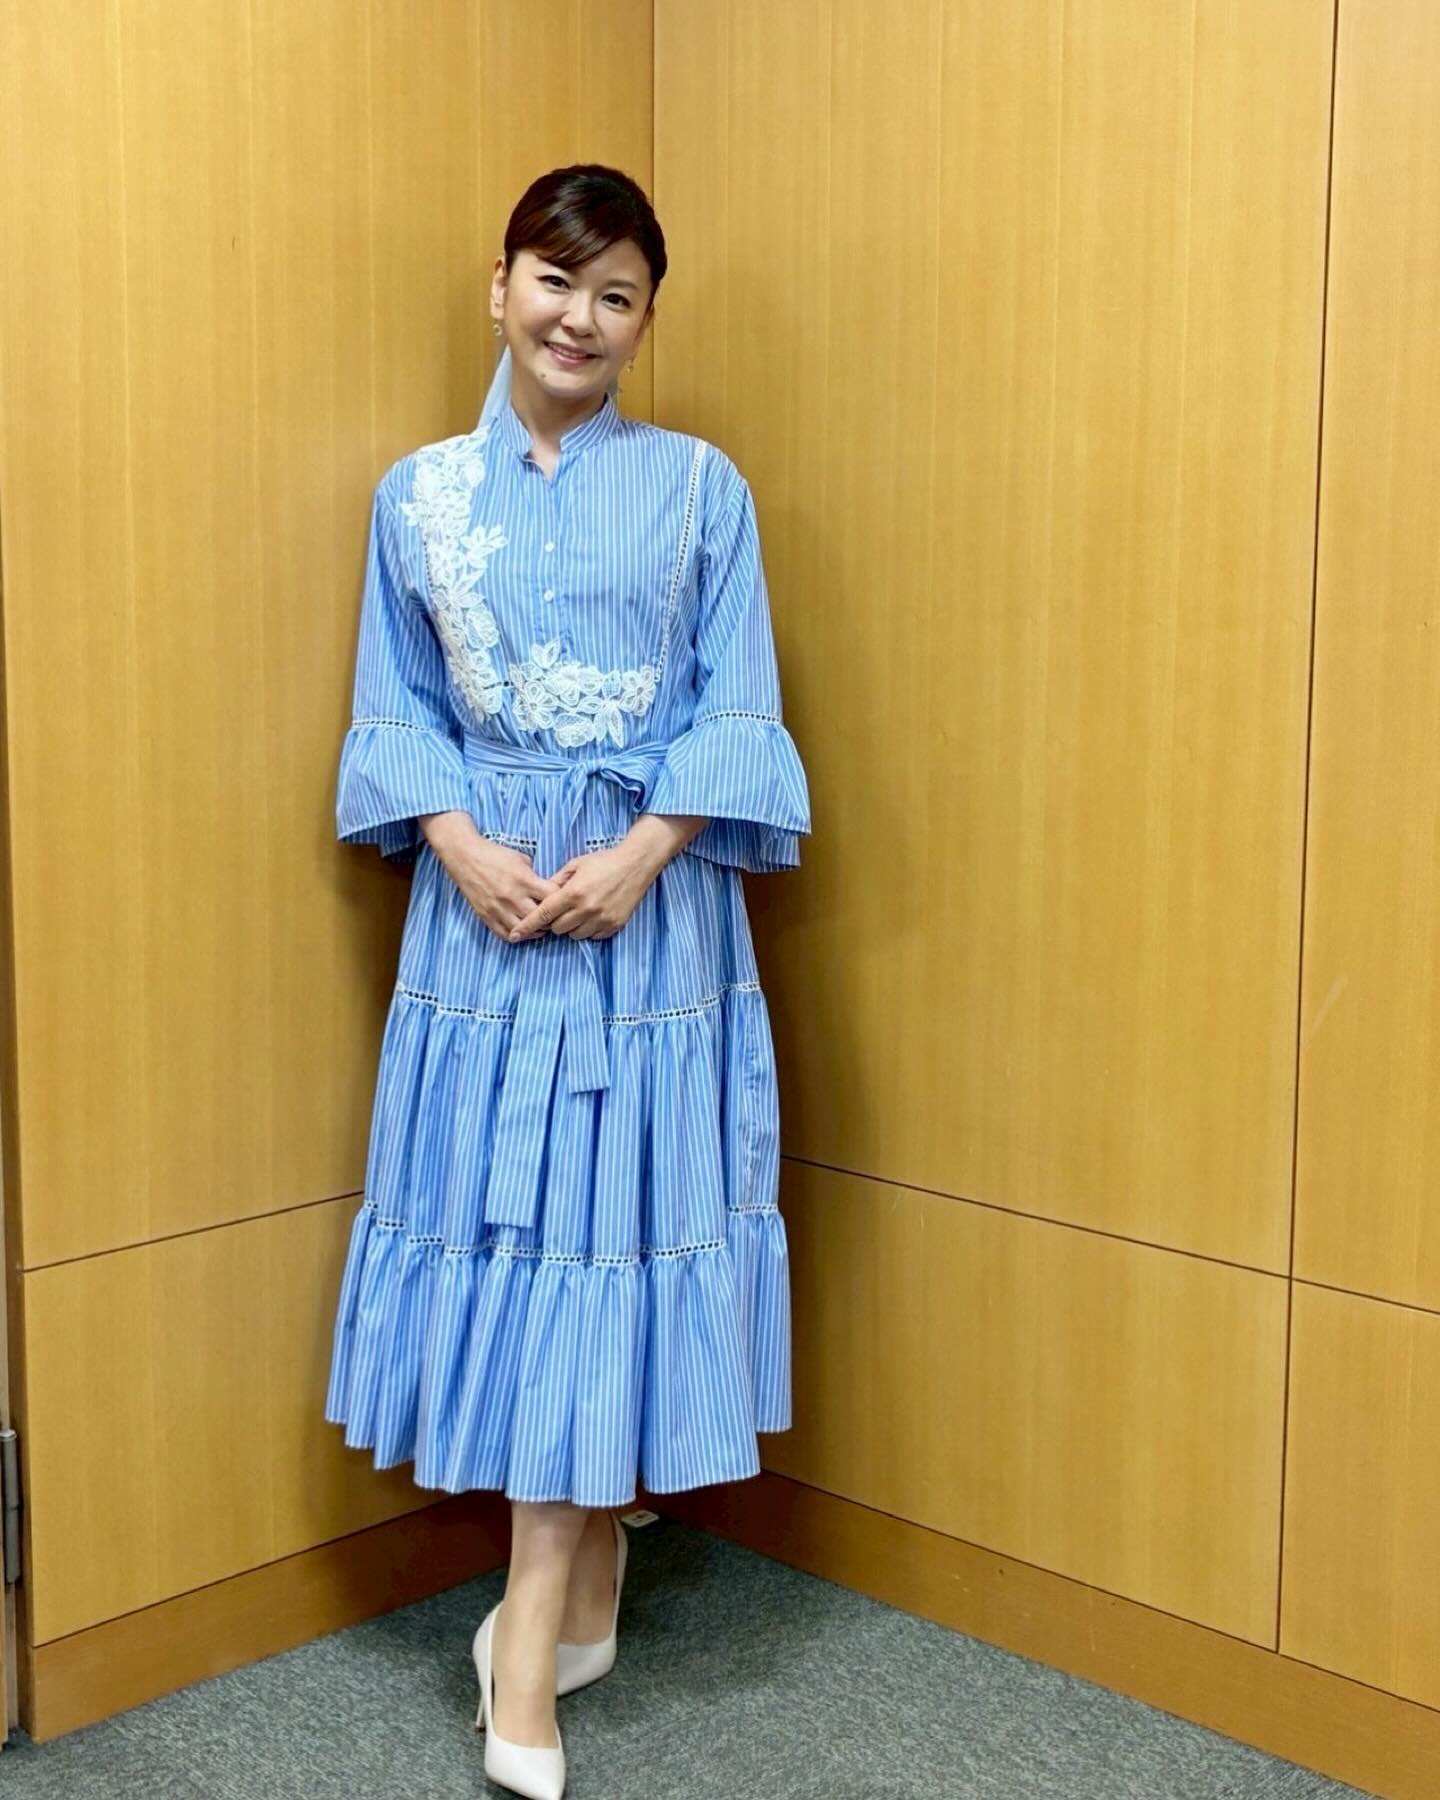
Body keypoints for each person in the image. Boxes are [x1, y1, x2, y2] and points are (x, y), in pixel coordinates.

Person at [323, 163, 811, 1799]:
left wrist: (648, 851)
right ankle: (583, 1574)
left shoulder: (700, 488)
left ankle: (528, 1636)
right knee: (529, 1234)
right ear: (500, 287)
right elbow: (392, 706)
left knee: (616, 1228)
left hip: (648, 927)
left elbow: (738, 703)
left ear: (646, 321)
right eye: (556, 280)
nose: (580, 319)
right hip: (484, 922)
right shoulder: (413, 498)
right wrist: (456, 842)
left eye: (617, 297)